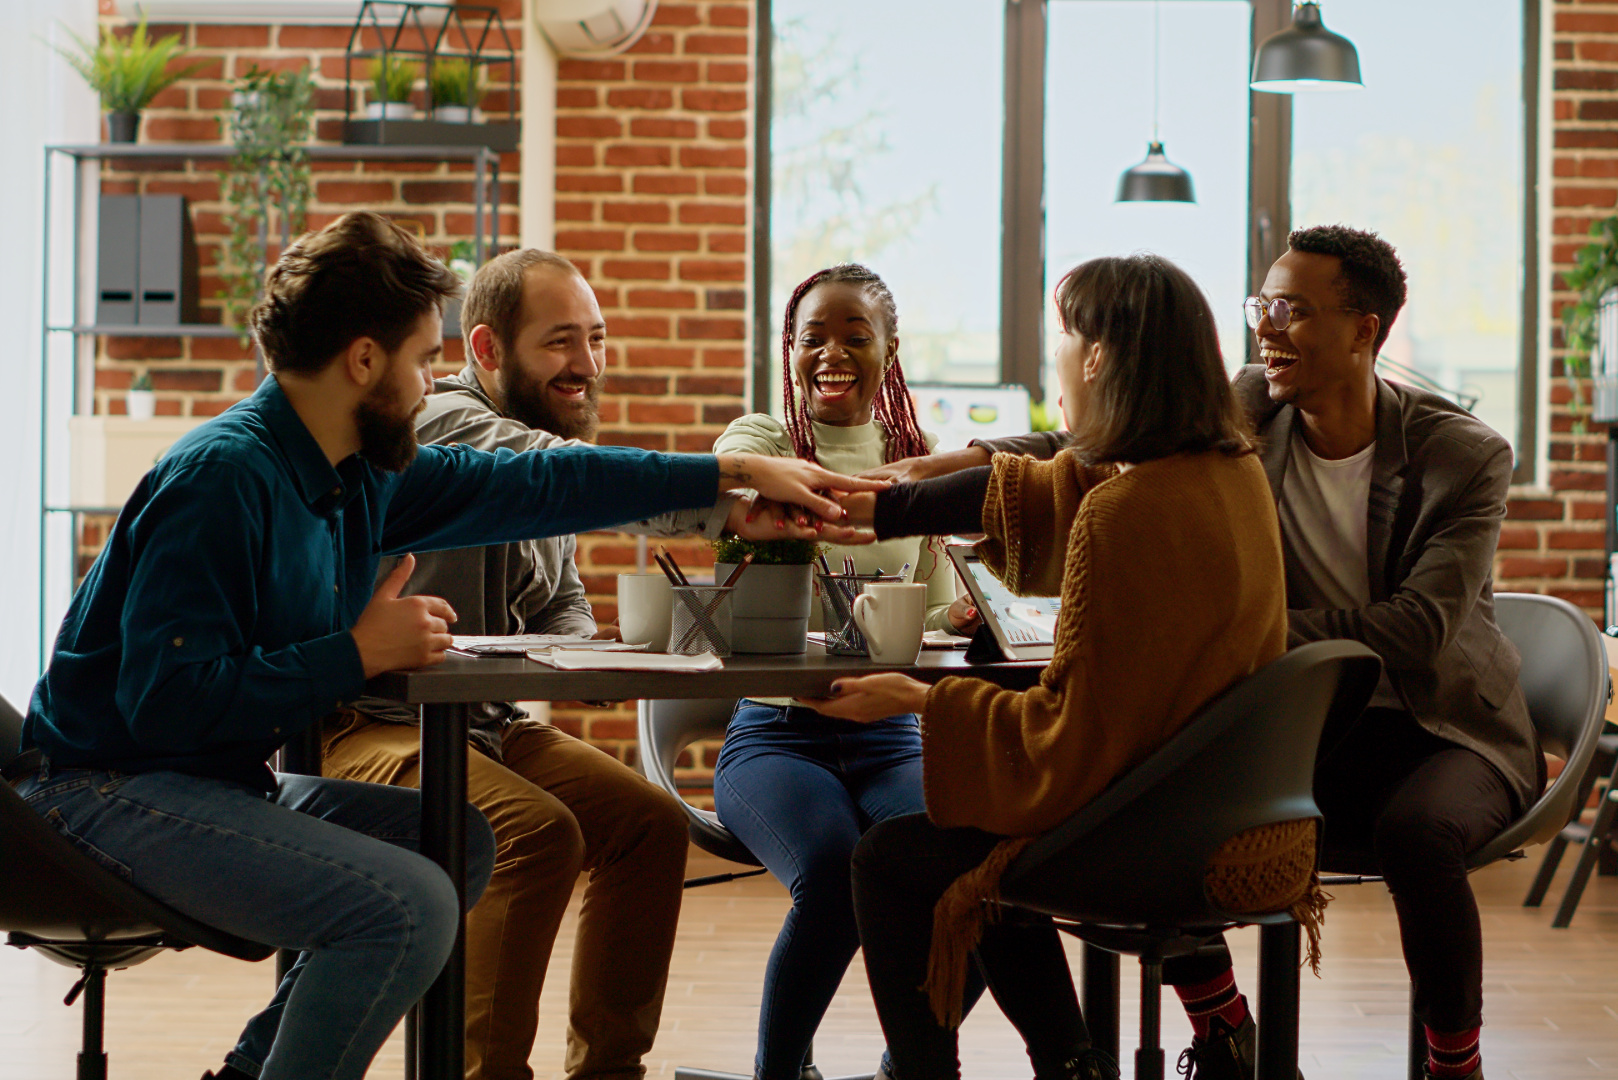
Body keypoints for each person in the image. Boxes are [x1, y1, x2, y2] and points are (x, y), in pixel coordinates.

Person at [7, 211, 883, 1080]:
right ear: (363, 362)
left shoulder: (356, 471)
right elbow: (161, 704)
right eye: (424, 360)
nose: (431, 386)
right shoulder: (223, 480)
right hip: (102, 795)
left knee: (456, 842)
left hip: (210, 782)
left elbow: (539, 481)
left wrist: (728, 486)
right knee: (408, 904)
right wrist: (357, 653)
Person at [867, 227, 1540, 1080]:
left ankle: (1455, 1059)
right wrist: (972, 460)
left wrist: (1218, 624)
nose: (1268, 329)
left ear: (1365, 331)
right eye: (1261, 306)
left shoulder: (1463, 454)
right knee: (1164, 778)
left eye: (1292, 310)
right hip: (1297, 712)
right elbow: (1132, 442)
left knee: (1418, 835)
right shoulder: (1251, 404)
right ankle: (1221, 1022)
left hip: (1435, 719)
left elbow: (1415, 630)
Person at [321, 247, 863, 1080]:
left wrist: (607, 646)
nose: (586, 364)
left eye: (597, 339)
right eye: (561, 341)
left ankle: (610, 1072)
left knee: (647, 824)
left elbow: (559, 604)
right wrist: (730, 484)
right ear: (488, 351)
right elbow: (551, 479)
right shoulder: (449, 426)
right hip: (366, 724)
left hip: (480, 727)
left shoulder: (543, 442)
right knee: (535, 834)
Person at [806, 253, 1293, 1080]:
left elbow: (1068, 737)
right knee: (981, 824)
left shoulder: (1124, 511)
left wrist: (920, 703)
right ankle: (1071, 1064)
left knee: (894, 860)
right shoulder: (1228, 472)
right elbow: (1049, 486)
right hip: (1227, 809)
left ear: (1097, 357)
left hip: (1153, 838)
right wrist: (888, 501)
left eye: (1061, 335)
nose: (1055, 357)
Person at [708, 264, 980, 1080]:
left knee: (967, 875)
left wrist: (956, 617)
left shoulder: (918, 464)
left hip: (893, 732)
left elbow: (927, 614)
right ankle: (780, 1074)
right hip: (776, 734)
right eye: (811, 338)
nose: (831, 353)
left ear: (888, 350)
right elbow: (728, 470)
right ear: (789, 350)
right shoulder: (765, 438)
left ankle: (907, 1067)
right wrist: (831, 498)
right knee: (830, 877)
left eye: (855, 337)